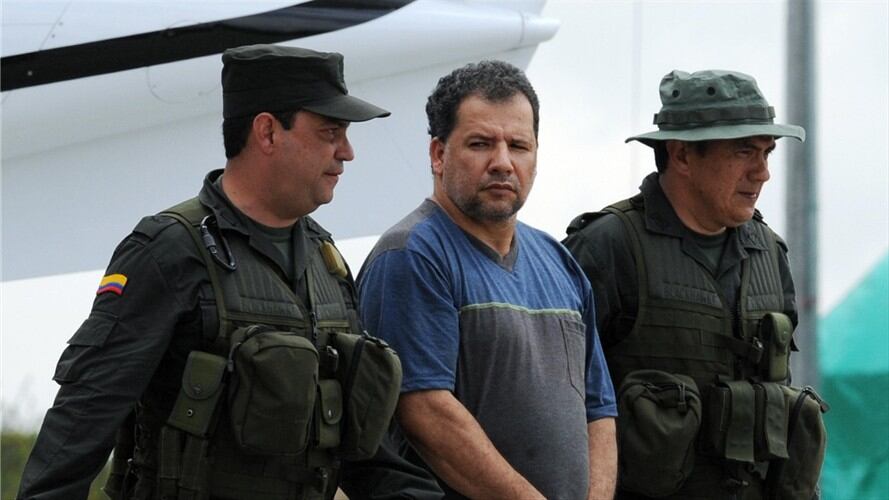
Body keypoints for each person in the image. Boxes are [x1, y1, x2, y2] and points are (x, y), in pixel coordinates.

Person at [18, 44, 442, 500]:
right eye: (330, 131)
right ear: (267, 132)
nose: (347, 152)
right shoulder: (169, 251)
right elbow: (83, 419)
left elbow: (366, 453)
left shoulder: (325, 262)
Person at [357, 60, 618, 500]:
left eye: (519, 145)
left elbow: (599, 408)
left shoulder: (559, 261)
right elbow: (425, 412)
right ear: (438, 154)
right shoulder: (412, 255)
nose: (502, 163)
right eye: (480, 144)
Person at [563, 70, 823, 500]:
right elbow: (555, 401)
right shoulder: (607, 247)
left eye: (766, 153)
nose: (762, 173)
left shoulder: (769, 253)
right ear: (682, 155)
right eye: (744, 151)